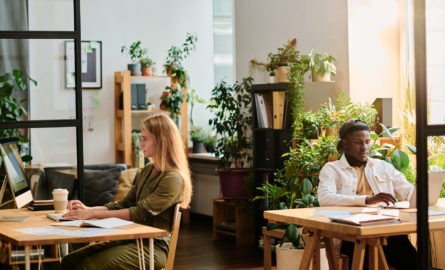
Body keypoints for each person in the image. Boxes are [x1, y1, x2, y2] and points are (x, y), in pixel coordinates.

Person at [60, 114, 192, 270]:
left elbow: (139, 212)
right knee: (69, 261)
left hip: (152, 248)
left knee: (85, 267)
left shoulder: (173, 179)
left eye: (145, 139)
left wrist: (93, 214)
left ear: (161, 141)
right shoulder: (147, 170)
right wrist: (88, 210)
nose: (140, 143)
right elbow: (125, 204)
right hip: (131, 239)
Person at [317, 119, 416, 270]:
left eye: (367, 142)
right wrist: (367, 200)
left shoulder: (383, 167)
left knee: (414, 260)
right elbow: (325, 198)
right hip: (351, 235)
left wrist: (423, 190)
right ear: (345, 144)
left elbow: (408, 192)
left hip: (386, 230)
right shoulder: (332, 169)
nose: (365, 147)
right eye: (358, 142)